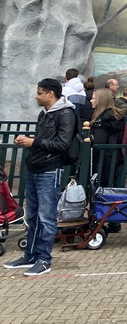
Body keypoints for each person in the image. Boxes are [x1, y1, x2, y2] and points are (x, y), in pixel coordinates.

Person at [4, 78, 78, 277]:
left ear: (50, 94)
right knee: (33, 215)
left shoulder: (66, 114)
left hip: (50, 170)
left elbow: (63, 144)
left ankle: (44, 259)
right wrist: (31, 142)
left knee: (46, 217)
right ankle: (30, 255)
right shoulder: (44, 114)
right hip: (35, 168)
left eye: (39, 93)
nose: (36, 96)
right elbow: (43, 141)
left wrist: (34, 141)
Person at [89, 87, 126, 187]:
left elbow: (99, 140)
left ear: (100, 100)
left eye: (93, 98)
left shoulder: (106, 118)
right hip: (106, 159)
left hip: (104, 160)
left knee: (100, 188)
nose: (91, 100)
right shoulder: (107, 116)